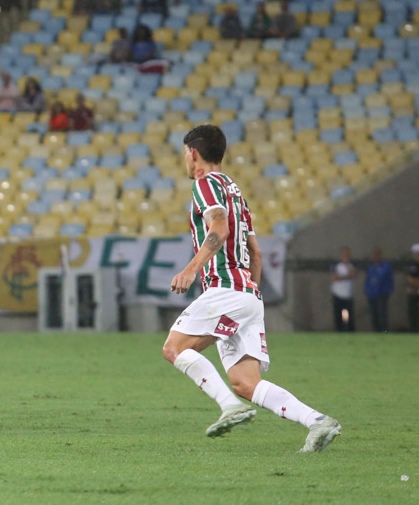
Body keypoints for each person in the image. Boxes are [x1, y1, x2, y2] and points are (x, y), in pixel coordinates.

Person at [162, 124, 341, 453]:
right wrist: (248, 297)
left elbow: (220, 227)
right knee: (246, 383)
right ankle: (319, 422)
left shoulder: (206, 184)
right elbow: (255, 252)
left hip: (227, 289)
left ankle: (230, 407)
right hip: (247, 293)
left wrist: (191, 269)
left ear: (193, 153)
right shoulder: (235, 190)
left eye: (184, 154)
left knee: (174, 348)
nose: (184, 160)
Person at [365, 248, 393, 332]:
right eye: (375, 255)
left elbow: (388, 280)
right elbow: (368, 280)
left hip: (382, 294)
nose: (376, 257)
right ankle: (376, 331)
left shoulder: (386, 267)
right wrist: (367, 291)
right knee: (374, 314)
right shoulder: (371, 267)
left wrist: (386, 291)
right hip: (372, 295)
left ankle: (384, 331)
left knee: (382, 314)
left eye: (378, 255)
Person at [330, 246, 355, 332]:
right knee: (338, 315)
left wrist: (346, 266)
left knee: (346, 316)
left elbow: (352, 274)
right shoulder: (336, 265)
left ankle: (347, 330)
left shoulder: (351, 265)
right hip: (338, 295)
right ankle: (339, 331)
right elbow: (334, 277)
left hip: (347, 296)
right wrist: (345, 276)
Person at [406, 243, 419, 332]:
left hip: (414, 290)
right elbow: (409, 278)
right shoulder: (411, 265)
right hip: (414, 293)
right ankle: (414, 331)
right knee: (413, 313)